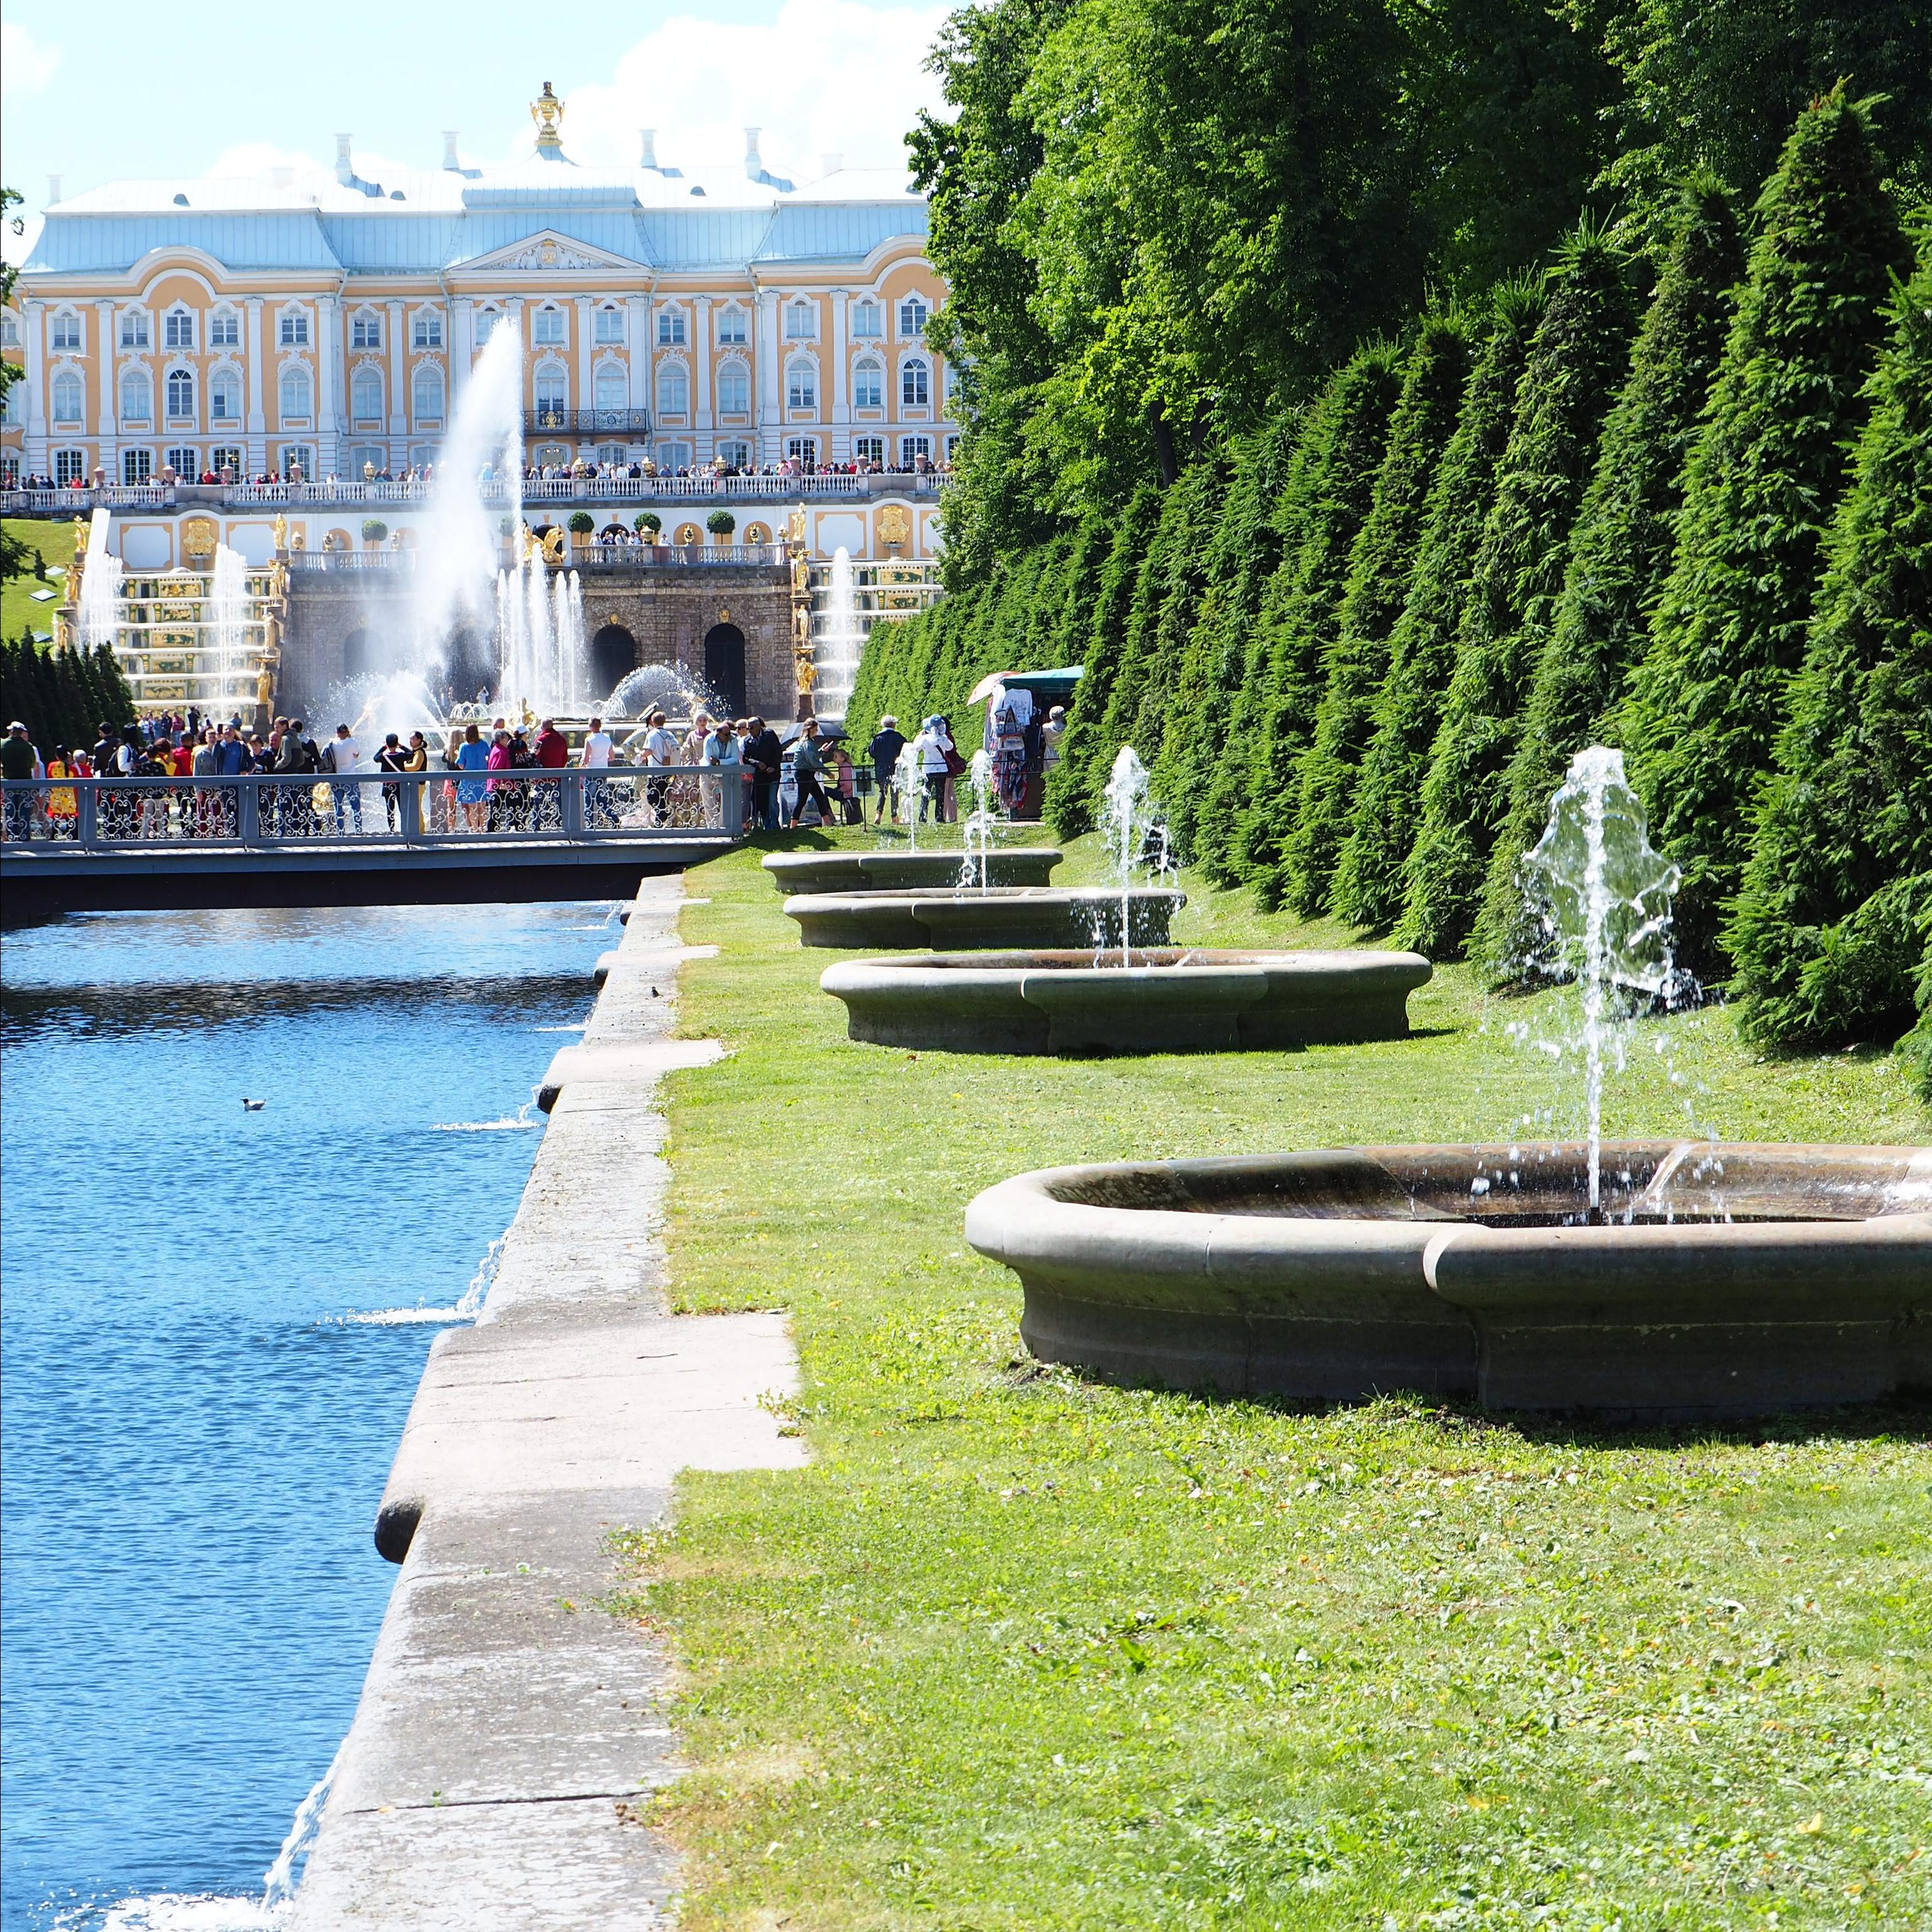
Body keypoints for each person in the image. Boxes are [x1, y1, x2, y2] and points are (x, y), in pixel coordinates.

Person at [789, 718, 834, 829]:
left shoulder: (808, 742)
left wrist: (822, 751)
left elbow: (812, 758)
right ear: (811, 729)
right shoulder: (807, 743)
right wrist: (827, 772)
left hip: (806, 773)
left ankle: (828, 824)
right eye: (816, 729)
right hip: (804, 774)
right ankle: (792, 827)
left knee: (819, 797)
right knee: (802, 800)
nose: (817, 731)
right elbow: (813, 761)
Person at [699, 713, 740, 828]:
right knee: (708, 801)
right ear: (718, 733)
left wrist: (719, 762)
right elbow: (708, 757)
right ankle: (711, 827)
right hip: (707, 773)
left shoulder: (733, 739)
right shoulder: (709, 739)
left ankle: (723, 827)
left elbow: (735, 759)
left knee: (726, 801)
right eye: (725, 735)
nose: (728, 737)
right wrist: (715, 763)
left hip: (724, 775)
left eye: (729, 734)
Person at [743, 715, 783, 831]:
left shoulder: (770, 734)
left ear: (758, 726)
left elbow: (778, 752)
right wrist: (757, 763)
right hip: (760, 776)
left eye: (751, 728)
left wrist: (773, 767)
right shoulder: (747, 740)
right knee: (763, 801)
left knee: (772, 800)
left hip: (773, 775)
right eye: (748, 728)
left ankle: (775, 825)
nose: (749, 730)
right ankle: (767, 825)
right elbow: (746, 758)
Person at [2, 722, 39, 840]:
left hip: (8, 782)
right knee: (24, 812)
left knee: (10, 811)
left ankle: (11, 836)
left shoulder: (3, 745)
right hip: (25, 782)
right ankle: (24, 836)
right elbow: (32, 764)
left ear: (11, 732)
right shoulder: (28, 747)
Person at [867, 715, 906, 825]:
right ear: (894, 725)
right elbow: (905, 751)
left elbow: (872, 753)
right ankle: (894, 817)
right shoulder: (898, 737)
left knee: (882, 791)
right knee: (894, 792)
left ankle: (878, 814)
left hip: (881, 768)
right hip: (895, 768)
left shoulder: (877, 738)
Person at [643, 709, 678, 826]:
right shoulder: (670, 734)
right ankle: (661, 818)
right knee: (662, 795)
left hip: (655, 770)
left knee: (651, 796)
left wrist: (640, 756)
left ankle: (662, 816)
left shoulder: (652, 734)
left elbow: (648, 751)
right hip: (668, 770)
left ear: (653, 722)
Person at [325, 723, 361, 833]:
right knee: (355, 806)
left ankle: (340, 831)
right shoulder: (352, 742)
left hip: (337, 779)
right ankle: (358, 830)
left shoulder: (332, 743)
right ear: (347, 732)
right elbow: (356, 755)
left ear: (337, 733)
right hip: (350, 778)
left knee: (338, 806)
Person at [533, 717, 569, 829]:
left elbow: (535, 757)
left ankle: (536, 825)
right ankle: (562, 824)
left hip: (542, 777)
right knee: (561, 802)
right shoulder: (561, 740)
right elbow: (565, 758)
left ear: (542, 727)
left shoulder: (541, 740)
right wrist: (559, 768)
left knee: (538, 802)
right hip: (558, 776)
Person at [912, 715, 950, 823]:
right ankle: (939, 818)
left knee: (925, 794)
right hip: (942, 769)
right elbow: (950, 747)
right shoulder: (943, 738)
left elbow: (915, 747)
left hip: (928, 769)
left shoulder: (924, 739)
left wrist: (919, 736)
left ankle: (922, 817)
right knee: (940, 795)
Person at [580, 714, 614, 828]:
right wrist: (602, 759)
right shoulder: (607, 738)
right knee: (601, 800)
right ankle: (614, 820)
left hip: (591, 773)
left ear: (590, 727)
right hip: (603, 772)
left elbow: (586, 759)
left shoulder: (589, 740)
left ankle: (589, 826)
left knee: (588, 801)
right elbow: (612, 757)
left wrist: (583, 763)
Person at [454, 721, 491, 831]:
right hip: (482, 778)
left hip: (469, 780)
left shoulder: (464, 747)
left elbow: (461, 765)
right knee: (482, 807)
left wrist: (457, 755)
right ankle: (484, 829)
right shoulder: (483, 744)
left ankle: (475, 829)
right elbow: (490, 756)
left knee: (472, 808)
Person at [376, 731, 408, 832]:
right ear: (397, 743)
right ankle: (405, 829)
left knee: (390, 809)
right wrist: (401, 746)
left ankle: (392, 830)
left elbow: (375, 758)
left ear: (386, 743)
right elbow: (411, 754)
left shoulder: (384, 757)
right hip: (399, 785)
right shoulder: (401, 755)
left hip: (387, 786)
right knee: (402, 808)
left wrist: (384, 747)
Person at [832, 741, 860, 825]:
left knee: (824, 791)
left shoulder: (845, 767)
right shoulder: (842, 767)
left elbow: (848, 785)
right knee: (824, 791)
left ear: (842, 758)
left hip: (846, 794)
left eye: (836, 756)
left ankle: (829, 817)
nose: (833, 758)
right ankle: (830, 816)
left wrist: (839, 790)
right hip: (844, 792)